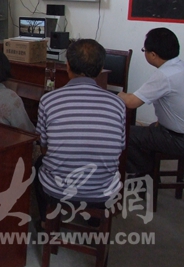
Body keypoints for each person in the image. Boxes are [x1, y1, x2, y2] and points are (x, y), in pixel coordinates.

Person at [35, 39, 126, 226]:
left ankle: (46, 222)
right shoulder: (117, 104)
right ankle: (95, 222)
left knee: (38, 164)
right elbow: (119, 148)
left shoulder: (48, 100)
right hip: (104, 193)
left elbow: (44, 148)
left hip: (58, 191)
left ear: (67, 65)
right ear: (101, 69)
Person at [119, 27, 184, 175]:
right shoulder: (180, 67)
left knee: (124, 133)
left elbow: (132, 102)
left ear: (153, 54)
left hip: (177, 139)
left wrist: (120, 95)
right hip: (172, 130)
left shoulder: (164, 75)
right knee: (146, 131)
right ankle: (149, 167)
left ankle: (143, 172)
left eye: (145, 50)